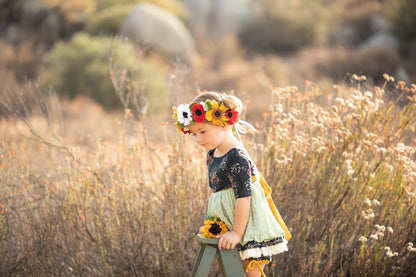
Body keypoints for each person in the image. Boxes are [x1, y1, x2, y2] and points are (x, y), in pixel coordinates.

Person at [172, 91, 291, 277]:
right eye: (194, 134)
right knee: (233, 272)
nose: (198, 139)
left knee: (250, 273)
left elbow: (244, 197)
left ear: (223, 122)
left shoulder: (236, 158)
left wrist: (236, 233)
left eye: (203, 131)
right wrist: (212, 222)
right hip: (226, 224)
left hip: (247, 227)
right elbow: (213, 190)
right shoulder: (212, 154)